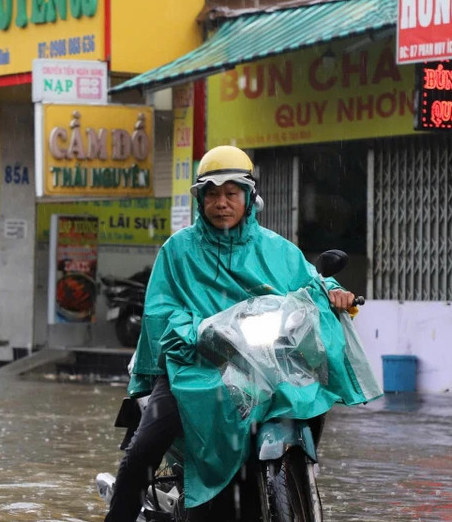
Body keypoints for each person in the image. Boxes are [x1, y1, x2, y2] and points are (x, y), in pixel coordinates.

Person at [104, 145, 379, 522]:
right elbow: (160, 311)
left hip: (263, 367)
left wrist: (333, 292)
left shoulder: (278, 250)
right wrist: (198, 331)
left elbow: (309, 285)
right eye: (213, 194)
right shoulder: (177, 251)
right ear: (200, 199)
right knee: (145, 449)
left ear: (250, 198)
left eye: (231, 193)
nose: (222, 203)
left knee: (307, 402)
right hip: (193, 365)